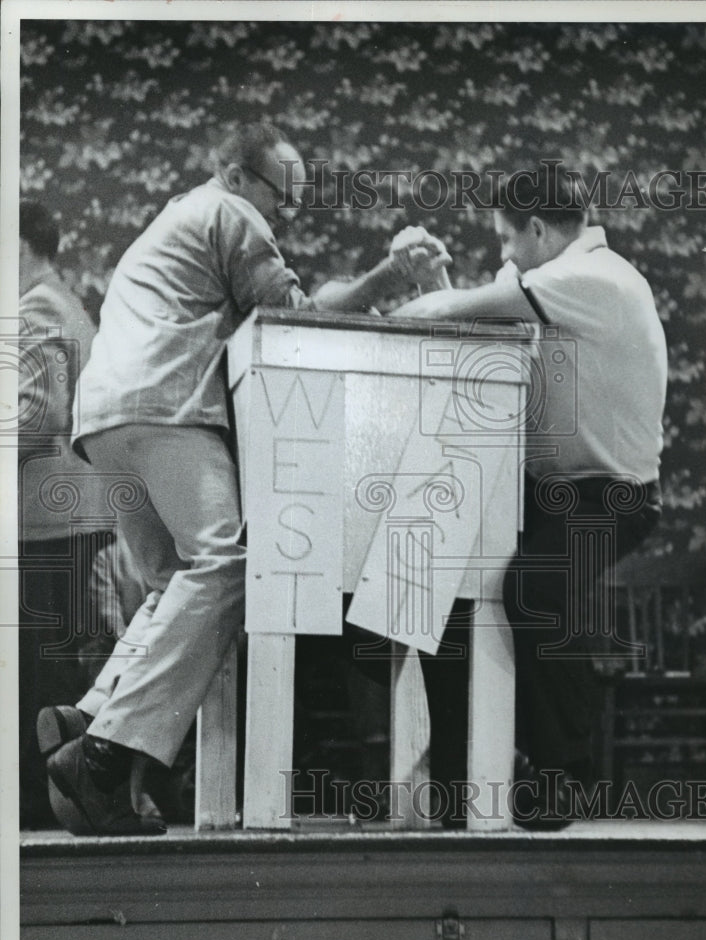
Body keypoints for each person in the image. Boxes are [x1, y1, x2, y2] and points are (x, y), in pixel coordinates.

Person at [41, 119, 450, 836]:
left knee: (177, 584)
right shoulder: (232, 214)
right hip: (165, 407)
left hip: (102, 421)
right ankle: (102, 752)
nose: (281, 212)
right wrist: (389, 276)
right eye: (278, 194)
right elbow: (290, 319)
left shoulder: (173, 218)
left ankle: (96, 709)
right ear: (235, 176)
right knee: (230, 564)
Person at [393, 166, 667, 827]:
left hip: (612, 494)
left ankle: (562, 776)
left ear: (538, 230)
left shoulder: (594, 278)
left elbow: (449, 312)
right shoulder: (565, 283)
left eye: (505, 241)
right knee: (448, 578)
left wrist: (418, 294)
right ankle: (461, 777)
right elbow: (484, 317)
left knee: (534, 589)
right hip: (557, 492)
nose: (504, 256)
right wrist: (442, 289)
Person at [17, 201, 103, 827]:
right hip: (67, 515)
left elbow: (39, 414)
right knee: (52, 668)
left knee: (39, 672)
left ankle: (34, 806)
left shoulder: (37, 306)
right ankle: (50, 802)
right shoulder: (64, 301)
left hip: (47, 519)